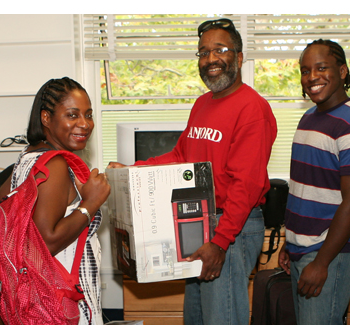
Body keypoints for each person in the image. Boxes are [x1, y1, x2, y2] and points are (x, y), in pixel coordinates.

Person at [109, 18, 277, 325]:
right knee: (197, 317)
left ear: (238, 58)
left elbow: (246, 184)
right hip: (202, 223)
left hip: (233, 228)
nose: (210, 58)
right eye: (202, 52)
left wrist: (220, 241)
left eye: (220, 50)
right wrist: (133, 171)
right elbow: (181, 157)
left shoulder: (252, 108)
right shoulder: (202, 104)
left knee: (223, 318)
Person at [0, 77, 110, 325]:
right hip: (62, 298)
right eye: (72, 115)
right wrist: (90, 203)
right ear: (46, 118)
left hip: (36, 295)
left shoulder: (30, 154)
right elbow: (47, 242)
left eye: (88, 115)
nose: (85, 124)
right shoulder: (54, 165)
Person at [278, 39, 350, 324]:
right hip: (304, 246)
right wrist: (291, 239)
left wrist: (322, 262)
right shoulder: (308, 118)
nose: (312, 77)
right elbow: (304, 187)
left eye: (322, 68)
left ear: (343, 71)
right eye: (305, 70)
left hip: (331, 251)